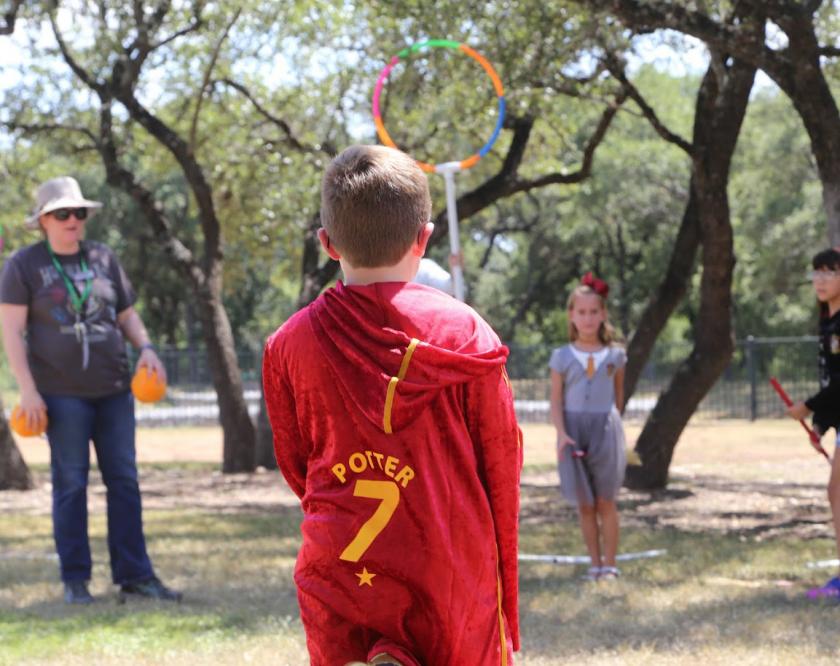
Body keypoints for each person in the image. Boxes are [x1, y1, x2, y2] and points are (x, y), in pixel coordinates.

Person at [262, 145, 522, 666]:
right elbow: (501, 458)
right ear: (423, 240)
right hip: (445, 560)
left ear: (327, 243)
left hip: (343, 566)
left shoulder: (289, 343)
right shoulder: (463, 331)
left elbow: (298, 467)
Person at [0, 176, 180, 604]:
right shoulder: (23, 266)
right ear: (43, 220)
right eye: (63, 213)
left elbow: (126, 315)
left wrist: (147, 347)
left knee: (125, 481)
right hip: (60, 396)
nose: (73, 221)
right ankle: (75, 580)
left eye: (79, 213)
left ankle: (135, 576)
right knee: (70, 484)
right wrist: (27, 391)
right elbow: (11, 333)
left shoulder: (102, 257)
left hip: (115, 390)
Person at [549, 272, 626, 581]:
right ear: (572, 315)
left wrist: (613, 425)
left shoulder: (616, 355)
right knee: (585, 503)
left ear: (603, 314)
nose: (588, 318)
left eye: (594, 311)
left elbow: (618, 395)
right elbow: (555, 400)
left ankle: (610, 564)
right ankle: (594, 564)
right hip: (573, 432)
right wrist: (561, 433)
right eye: (581, 312)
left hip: (605, 431)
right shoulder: (561, 357)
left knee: (606, 500)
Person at [787, 248, 840, 599]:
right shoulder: (828, 320)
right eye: (816, 272)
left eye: (829, 272)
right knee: (835, 493)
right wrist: (821, 424)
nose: (820, 279)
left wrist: (807, 407)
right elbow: (832, 383)